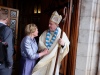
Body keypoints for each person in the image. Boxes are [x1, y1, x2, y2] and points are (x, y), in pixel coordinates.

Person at [0, 8, 14, 75]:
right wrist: (10, 63)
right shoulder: (7, 30)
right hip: (3, 64)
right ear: (7, 18)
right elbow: (8, 48)